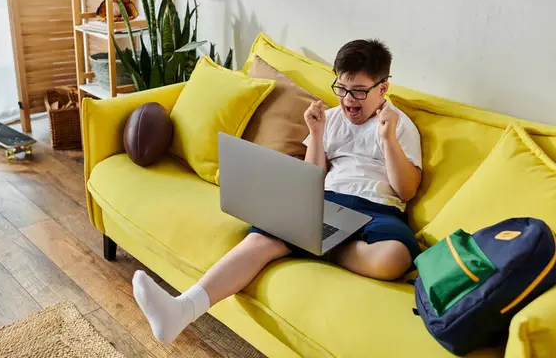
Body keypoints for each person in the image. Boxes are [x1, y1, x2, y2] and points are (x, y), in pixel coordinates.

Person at [132, 39, 423, 343]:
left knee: (395, 257)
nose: (349, 99)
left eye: (360, 91)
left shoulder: (400, 125)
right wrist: (316, 132)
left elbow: (405, 190)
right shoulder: (333, 118)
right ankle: (181, 309)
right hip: (328, 202)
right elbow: (312, 179)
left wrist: (387, 139)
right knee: (259, 240)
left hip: (379, 209)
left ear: (383, 87)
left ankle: (312, 244)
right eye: (342, 88)